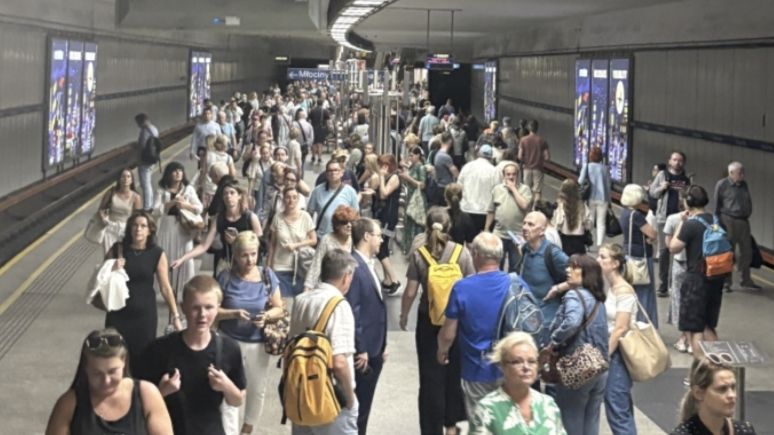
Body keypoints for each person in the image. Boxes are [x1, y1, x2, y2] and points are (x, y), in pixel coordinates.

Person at [138, 276, 246, 435]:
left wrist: (226, 385)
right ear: (183, 308)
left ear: (218, 309)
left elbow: (238, 400)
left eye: (209, 307)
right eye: (196, 307)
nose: (202, 314)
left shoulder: (229, 349)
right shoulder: (159, 350)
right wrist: (161, 392)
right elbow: (138, 405)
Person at [400, 207, 474, 435]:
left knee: (430, 377)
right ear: (449, 226)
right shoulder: (461, 253)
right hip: (456, 322)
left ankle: (431, 429)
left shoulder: (419, 255)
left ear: (426, 226)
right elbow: (470, 287)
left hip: (428, 321)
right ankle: (451, 426)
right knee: (452, 375)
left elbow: (411, 291)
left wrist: (403, 315)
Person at [437, 232, 512, 415]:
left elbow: (448, 333)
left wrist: (442, 351)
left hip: (477, 367)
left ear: (475, 254)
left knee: (481, 422)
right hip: (510, 366)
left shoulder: (462, 288)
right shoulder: (515, 283)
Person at [45, 329, 174, 435]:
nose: (106, 381)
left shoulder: (147, 395)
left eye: (112, 371)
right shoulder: (70, 404)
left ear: (124, 362)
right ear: (86, 369)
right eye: (97, 374)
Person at [216, 232, 284, 435]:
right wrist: (233, 313)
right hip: (229, 341)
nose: (250, 260)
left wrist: (266, 316)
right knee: (229, 388)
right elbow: (213, 310)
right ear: (236, 255)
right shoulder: (225, 277)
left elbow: (279, 307)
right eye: (245, 255)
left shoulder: (266, 275)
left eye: (253, 254)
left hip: (257, 343)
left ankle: (248, 428)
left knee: (256, 388)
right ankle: (230, 430)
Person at [289, 249, 359, 435]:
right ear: (346, 277)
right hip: (330, 396)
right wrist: (350, 399)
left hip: (300, 392)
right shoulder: (339, 306)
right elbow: (339, 361)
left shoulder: (300, 300)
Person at [105, 210, 181, 369]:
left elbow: (165, 287)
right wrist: (112, 267)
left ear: (150, 230)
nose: (138, 229)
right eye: (134, 225)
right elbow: (101, 277)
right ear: (129, 228)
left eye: (143, 226)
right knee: (114, 358)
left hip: (144, 318)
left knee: (142, 360)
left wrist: (175, 316)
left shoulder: (157, 254)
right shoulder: (117, 249)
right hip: (118, 314)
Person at [546, 254, 609, 435]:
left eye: (573, 268)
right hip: (599, 366)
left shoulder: (574, 295)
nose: (568, 270)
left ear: (585, 273)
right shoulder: (598, 299)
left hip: (577, 367)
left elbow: (572, 322)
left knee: (571, 418)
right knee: (591, 419)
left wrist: (555, 341)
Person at [468, 332, 566, 435]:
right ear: (503, 366)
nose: (526, 367)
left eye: (531, 361)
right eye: (517, 362)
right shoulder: (487, 409)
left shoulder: (548, 405)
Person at [669, 185, 725, 360]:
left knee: (695, 328)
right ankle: (718, 364)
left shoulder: (691, 224)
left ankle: (700, 371)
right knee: (708, 324)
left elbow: (673, 247)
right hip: (715, 277)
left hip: (696, 279)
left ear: (688, 202)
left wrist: (682, 223)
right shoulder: (716, 221)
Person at [346, 218, 388, 435]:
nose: (381, 239)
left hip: (375, 347)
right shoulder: (354, 266)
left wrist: (383, 344)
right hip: (364, 353)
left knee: (365, 406)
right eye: (378, 235)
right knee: (359, 409)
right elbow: (354, 310)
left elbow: (377, 308)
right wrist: (361, 347)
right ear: (366, 236)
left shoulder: (368, 264)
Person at [172, 178, 262, 277]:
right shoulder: (219, 218)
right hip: (227, 264)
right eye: (225, 194)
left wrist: (237, 241)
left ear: (239, 196)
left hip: (247, 265)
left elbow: (259, 244)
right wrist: (183, 258)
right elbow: (204, 245)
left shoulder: (250, 217)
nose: (228, 196)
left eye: (232, 193)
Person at [598, 244, 638, 435]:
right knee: (621, 406)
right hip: (614, 353)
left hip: (619, 354)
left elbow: (621, 327)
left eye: (603, 257)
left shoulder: (624, 290)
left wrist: (605, 355)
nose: (598, 260)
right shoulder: (612, 287)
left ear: (614, 264)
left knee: (616, 407)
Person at [153, 161, 203, 294]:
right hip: (167, 228)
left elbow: (199, 208)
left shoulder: (189, 189)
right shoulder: (162, 190)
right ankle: (168, 289)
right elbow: (155, 210)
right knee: (166, 256)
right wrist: (169, 204)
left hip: (183, 228)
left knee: (185, 257)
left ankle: (186, 289)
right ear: (168, 174)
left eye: (180, 171)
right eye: (175, 171)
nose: (178, 173)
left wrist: (185, 205)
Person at [671, 357, 757, 435]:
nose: (732, 395)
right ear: (698, 393)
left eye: (733, 387)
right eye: (722, 389)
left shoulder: (745, 431)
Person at [649, 151, 691, 298]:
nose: (677, 163)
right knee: (664, 251)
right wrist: (663, 187)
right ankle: (663, 285)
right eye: (674, 160)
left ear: (683, 163)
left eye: (680, 160)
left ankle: (675, 284)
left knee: (678, 252)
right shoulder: (662, 175)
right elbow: (652, 193)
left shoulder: (686, 180)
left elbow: (689, 199)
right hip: (664, 218)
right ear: (669, 161)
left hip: (680, 218)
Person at [519, 211, 569, 332]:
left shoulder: (553, 253)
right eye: (524, 223)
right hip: (527, 316)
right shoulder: (526, 248)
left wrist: (558, 288)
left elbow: (582, 275)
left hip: (546, 321)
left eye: (531, 225)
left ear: (542, 230)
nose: (525, 227)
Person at [713, 161, 759, 291]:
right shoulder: (722, 185)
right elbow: (717, 204)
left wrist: (748, 212)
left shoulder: (744, 185)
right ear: (731, 173)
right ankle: (726, 282)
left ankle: (746, 279)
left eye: (743, 172)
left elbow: (747, 200)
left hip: (743, 221)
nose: (742, 175)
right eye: (740, 173)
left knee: (747, 251)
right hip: (728, 220)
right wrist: (717, 223)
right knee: (729, 252)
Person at [619, 184, 659, 327]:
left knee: (630, 291)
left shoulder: (624, 213)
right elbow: (652, 233)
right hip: (641, 256)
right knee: (644, 292)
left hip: (628, 254)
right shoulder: (636, 215)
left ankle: (630, 322)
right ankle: (644, 324)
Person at [267, 186, 317, 297]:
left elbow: (314, 240)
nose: (291, 200)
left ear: (298, 199)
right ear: (284, 199)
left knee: (298, 301)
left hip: (300, 266)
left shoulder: (305, 217)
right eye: (288, 197)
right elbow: (272, 243)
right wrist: (268, 266)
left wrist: (296, 245)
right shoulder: (278, 217)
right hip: (280, 266)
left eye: (294, 197)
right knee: (282, 301)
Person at [485, 161, 532, 272]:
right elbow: (491, 211)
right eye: (508, 174)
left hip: (518, 235)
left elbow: (524, 205)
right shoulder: (497, 189)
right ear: (503, 175)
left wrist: (513, 189)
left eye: (513, 174)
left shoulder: (525, 189)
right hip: (499, 233)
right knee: (496, 266)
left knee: (515, 268)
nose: (511, 177)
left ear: (518, 175)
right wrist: (486, 228)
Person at [304, 205, 359, 292]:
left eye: (351, 222)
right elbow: (316, 264)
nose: (349, 225)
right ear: (337, 225)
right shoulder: (327, 239)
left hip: (348, 286)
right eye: (344, 222)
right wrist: (307, 288)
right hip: (327, 286)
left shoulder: (355, 240)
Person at [664, 192, 691, 353]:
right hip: (698, 265)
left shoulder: (673, 219)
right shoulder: (705, 220)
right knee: (693, 300)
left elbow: (669, 246)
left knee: (678, 299)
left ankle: (684, 337)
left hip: (680, 263)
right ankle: (691, 337)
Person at [308, 159, 360, 239]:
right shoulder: (317, 191)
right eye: (330, 170)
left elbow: (356, 216)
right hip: (322, 237)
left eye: (336, 170)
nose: (333, 173)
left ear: (342, 173)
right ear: (326, 174)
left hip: (342, 238)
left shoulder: (350, 192)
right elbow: (309, 215)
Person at [372, 154, 402, 294]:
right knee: (382, 247)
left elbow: (384, 194)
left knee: (381, 248)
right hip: (384, 215)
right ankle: (387, 280)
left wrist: (382, 177)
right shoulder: (387, 177)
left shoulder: (394, 177)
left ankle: (394, 279)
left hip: (389, 217)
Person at [98, 167, 143, 254]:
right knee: (109, 258)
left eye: (128, 177)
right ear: (119, 179)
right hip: (110, 228)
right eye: (123, 176)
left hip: (126, 229)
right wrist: (103, 218)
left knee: (124, 257)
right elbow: (101, 209)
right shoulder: (111, 192)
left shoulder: (136, 197)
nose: (125, 179)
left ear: (132, 180)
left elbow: (137, 216)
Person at [457, 144, 497, 231]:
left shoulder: (467, 167)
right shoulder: (494, 171)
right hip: (485, 212)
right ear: (491, 157)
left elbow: (459, 186)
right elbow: (497, 193)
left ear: (478, 154)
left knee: (468, 241)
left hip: (466, 209)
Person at [578, 147, 611, 247]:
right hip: (603, 198)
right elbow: (608, 185)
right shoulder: (605, 168)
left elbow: (580, 181)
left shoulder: (586, 166)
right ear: (601, 157)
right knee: (601, 222)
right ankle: (599, 244)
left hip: (590, 197)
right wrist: (610, 201)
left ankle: (589, 242)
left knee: (590, 219)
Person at [399, 146, 427, 254]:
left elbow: (422, 185)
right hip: (409, 198)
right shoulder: (412, 166)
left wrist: (408, 178)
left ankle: (417, 250)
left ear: (418, 156)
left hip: (417, 199)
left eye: (412, 155)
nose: (410, 158)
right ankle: (408, 248)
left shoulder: (421, 168)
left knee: (416, 225)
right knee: (409, 224)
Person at [553, 179, 592, 256]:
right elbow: (589, 224)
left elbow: (558, 223)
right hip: (579, 241)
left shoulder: (561, 205)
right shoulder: (582, 206)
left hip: (565, 240)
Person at [517, 120, 550, 205]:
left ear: (529, 128)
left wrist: (525, 160)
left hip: (527, 169)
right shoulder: (542, 141)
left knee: (526, 190)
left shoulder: (523, 140)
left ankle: (527, 207)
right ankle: (536, 208)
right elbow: (547, 157)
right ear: (537, 128)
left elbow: (520, 156)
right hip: (538, 169)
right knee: (537, 191)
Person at [135, 113, 160, 212]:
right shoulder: (154, 129)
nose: (138, 125)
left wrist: (139, 160)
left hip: (145, 160)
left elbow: (142, 146)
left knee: (145, 184)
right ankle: (149, 204)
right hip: (152, 159)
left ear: (142, 121)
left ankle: (147, 207)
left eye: (138, 122)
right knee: (147, 183)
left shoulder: (145, 131)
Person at [309, 99, 332, 164]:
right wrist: (329, 128)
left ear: (317, 103)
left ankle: (313, 156)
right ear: (322, 104)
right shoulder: (325, 111)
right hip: (321, 128)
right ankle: (319, 157)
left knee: (314, 143)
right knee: (320, 144)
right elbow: (328, 121)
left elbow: (309, 119)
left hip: (313, 128)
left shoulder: (312, 110)